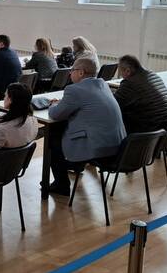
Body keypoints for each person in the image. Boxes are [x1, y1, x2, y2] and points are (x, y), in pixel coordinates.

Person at [46, 57, 126, 196]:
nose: (70, 73)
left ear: (81, 72)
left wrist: (53, 104)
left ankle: (61, 184)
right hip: (119, 146)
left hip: (99, 148)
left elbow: (56, 115)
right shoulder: (103, 84)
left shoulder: (74, 90)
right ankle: (75, 165)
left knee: (52, 136)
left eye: (72, 70)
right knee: (70, 127)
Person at [113, 54, 167, 133]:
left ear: (128, 71)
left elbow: (113, 105)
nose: (120, 76)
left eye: (120, 72)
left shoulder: (130, 83)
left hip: (151, 132)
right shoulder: (154, 75)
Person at [0, 83, 38, 160]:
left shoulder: (1, 129)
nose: (4, 98)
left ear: (10, 100)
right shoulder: (33, 122)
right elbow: (13, 141)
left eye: (5, 95)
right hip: (16, 164)